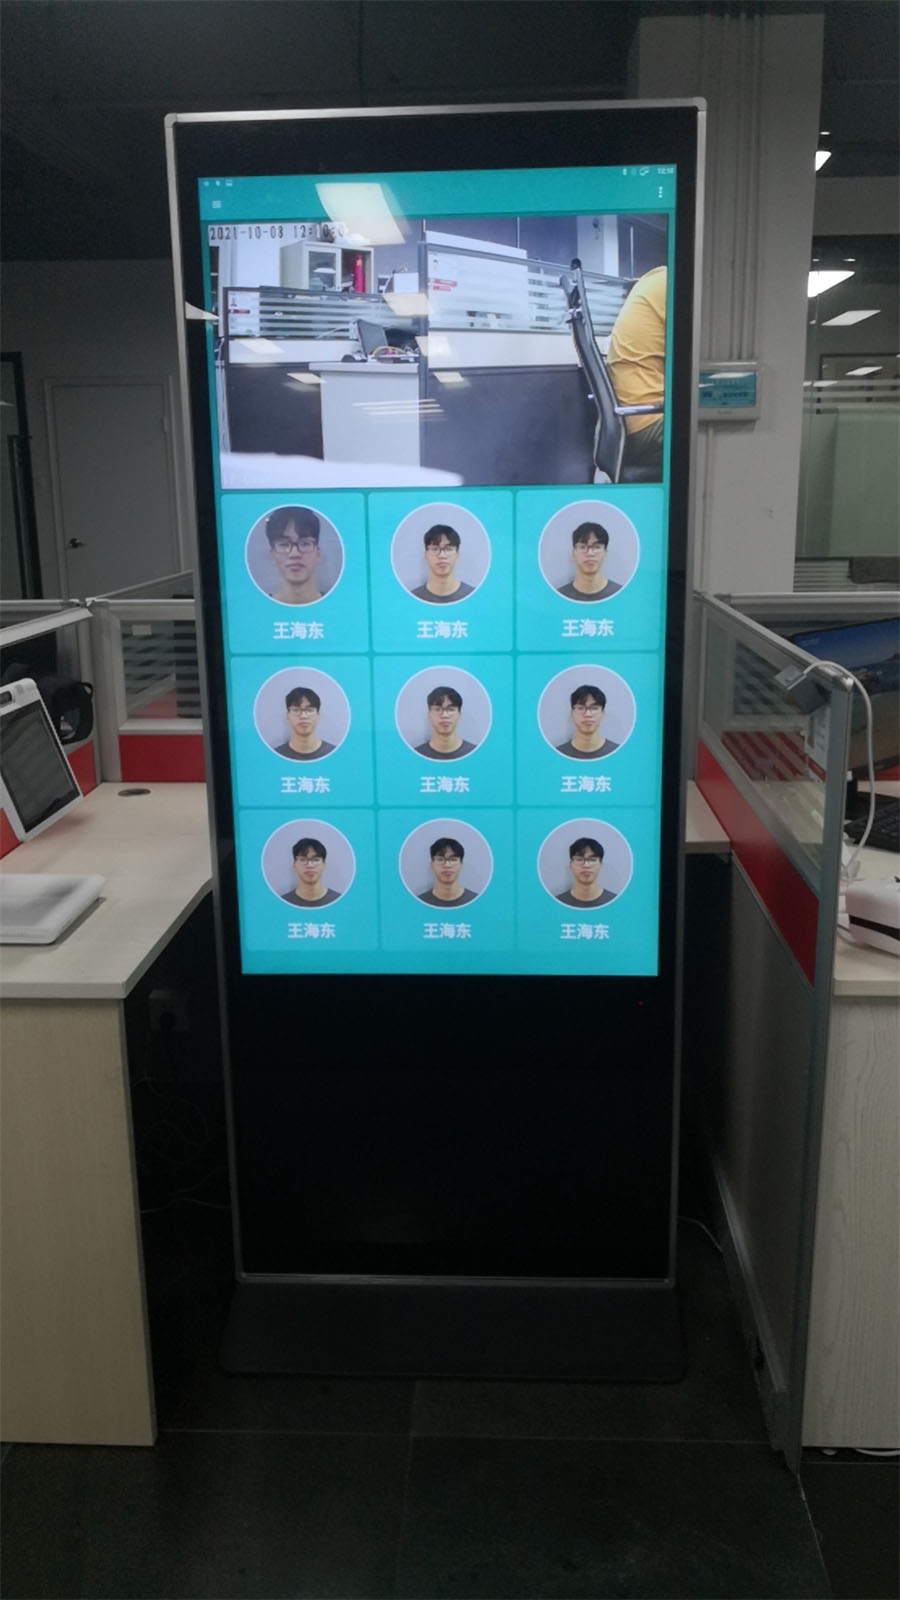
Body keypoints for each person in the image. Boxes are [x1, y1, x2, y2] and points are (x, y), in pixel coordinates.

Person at [605, 264, 666, 477]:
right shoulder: (671, 285)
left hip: (632, 419)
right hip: (648, 421)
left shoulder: (654, 280)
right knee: (719, 429)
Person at [265, 506, 324, 606]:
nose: (295, 554)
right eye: (284, 544)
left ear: (318, 554)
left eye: (305, 543)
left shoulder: (337, 605)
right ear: (272, 556)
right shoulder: (258, 607)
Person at [557, 522, 622, 601]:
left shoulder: (621, 594)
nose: (590, 553)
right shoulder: (559, 596)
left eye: (597, 547)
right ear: (573, 554)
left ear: (605, 554)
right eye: (583, 547)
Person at [411, 524, 474, 604]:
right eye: (435, 549)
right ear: (426, 556)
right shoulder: (412, 598)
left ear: (457, 555)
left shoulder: (473, 596)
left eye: (448, 549)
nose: (442, 555)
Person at [556, 684, 619, 760]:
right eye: (580, 708)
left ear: (602, 714)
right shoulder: (558, 754)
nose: (587, 714)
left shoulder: (617, 752)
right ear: (572, 715)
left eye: (594, 708)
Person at [273, 686, 335, 761]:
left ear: (318, 715)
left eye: (309, 710)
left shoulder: (334, 753)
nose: (303, 716)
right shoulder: (275, 756)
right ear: (288, 716)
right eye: (296, 710)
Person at [414, 685, 476, 760]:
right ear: (429, 716)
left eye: (451, 709)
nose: (444, 715)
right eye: (438, 709)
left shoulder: (475, 753)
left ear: (459, 715)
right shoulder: (415, 755)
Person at [555, 836, 618, 907]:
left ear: (601, 866)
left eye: (592, 860)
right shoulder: (557, 903)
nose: (586, 865)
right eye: (579, 859)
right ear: (570, 866)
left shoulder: (615, 902)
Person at [280, 837, 343, 907]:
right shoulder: (282, 902)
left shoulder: (339, 901)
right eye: (303, 859)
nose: (309, 865)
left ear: (324, 865)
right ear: (294, 865)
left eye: (316, 860)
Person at [418, 836, 480, 907]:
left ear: (461, 865)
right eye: (440, 859)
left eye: (453, 859)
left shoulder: (476, 901)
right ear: (432, 865)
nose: (447, 865)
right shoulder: (420, 902)